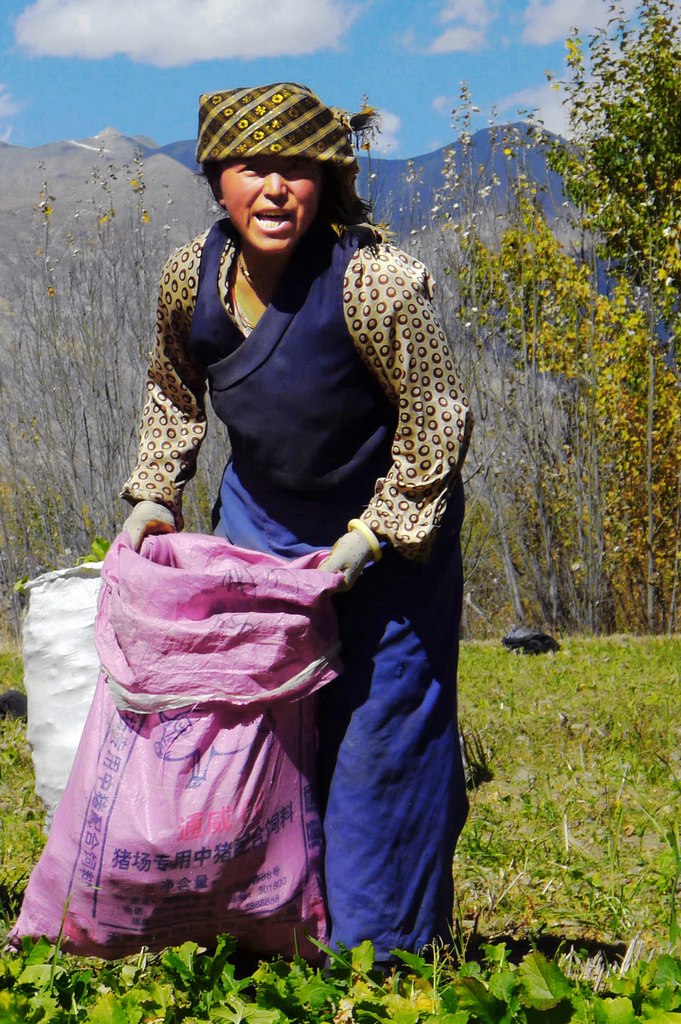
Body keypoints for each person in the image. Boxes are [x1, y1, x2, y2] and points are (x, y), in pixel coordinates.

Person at [121, 82, 473, 968]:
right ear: (215, 182)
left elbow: (436, 420)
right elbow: (174, 391)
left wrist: (374, 534)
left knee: (375, 748)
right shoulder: (187, 277)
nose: (274, 189)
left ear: (328, 180)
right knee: (259, 743)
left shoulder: (371, 281)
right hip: (258, 534)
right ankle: (268, 935)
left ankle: (378, 956)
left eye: (297, 169)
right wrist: (157, 494)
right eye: (251, 168)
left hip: (387, 541)